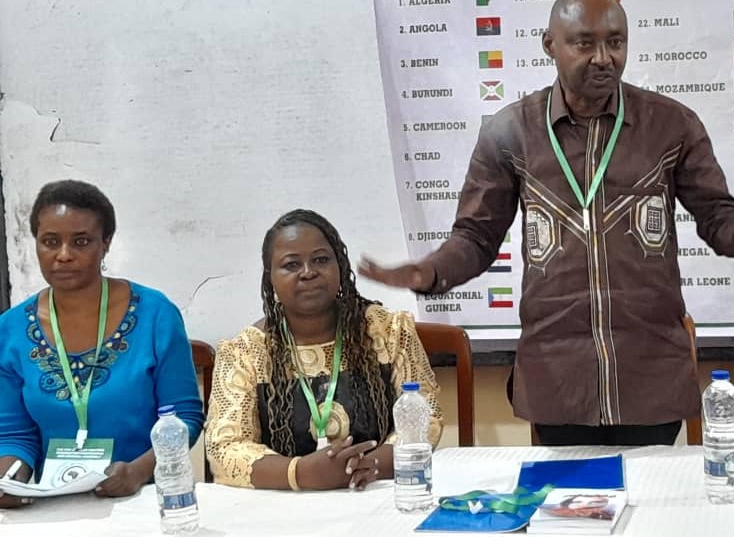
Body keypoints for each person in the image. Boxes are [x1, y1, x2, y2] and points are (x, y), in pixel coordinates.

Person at [360, 0, 734, 446]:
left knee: (649, 511)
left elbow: (719, 222)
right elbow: (476, 238)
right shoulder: (511, 132)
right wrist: (430, 271)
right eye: (584, 43)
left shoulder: (670, 125)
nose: (603, 57)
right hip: (557, 377)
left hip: (650, 373)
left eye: (615, 42)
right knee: (569, 519)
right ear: (550, 44)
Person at [205, 209, 443, 490]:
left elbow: (427, 417)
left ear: (340, 266)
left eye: (321, 260)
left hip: (378, 492)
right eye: (291, 265)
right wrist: (300, 473)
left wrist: (374, 465)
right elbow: (225, 448)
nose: (308, 272)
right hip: (284, 508)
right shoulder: (246, 351)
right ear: (270, 277)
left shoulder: (389, 332)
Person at [0, 180, 204, 508]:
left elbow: (184, 417)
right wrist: (10, 480)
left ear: (105, 243)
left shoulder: (155, 314)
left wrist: (137, 472)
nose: (64, 255)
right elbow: (13, 434)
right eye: (50, 241)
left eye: (81, 241)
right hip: (53, 506)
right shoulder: (9, 330)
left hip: (143, 498)